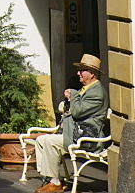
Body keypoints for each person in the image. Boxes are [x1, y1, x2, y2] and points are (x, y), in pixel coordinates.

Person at [34, 55, 109, 193]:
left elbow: (77, 113)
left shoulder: (97, 92)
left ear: (91, 73)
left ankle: (55, 182)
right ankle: (52, 178)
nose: (78, 73)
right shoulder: (85, 89)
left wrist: (73, 96)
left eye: (81, 70)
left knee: (50, 141)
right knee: (40, 140)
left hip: (87, 138)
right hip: (75, 133)